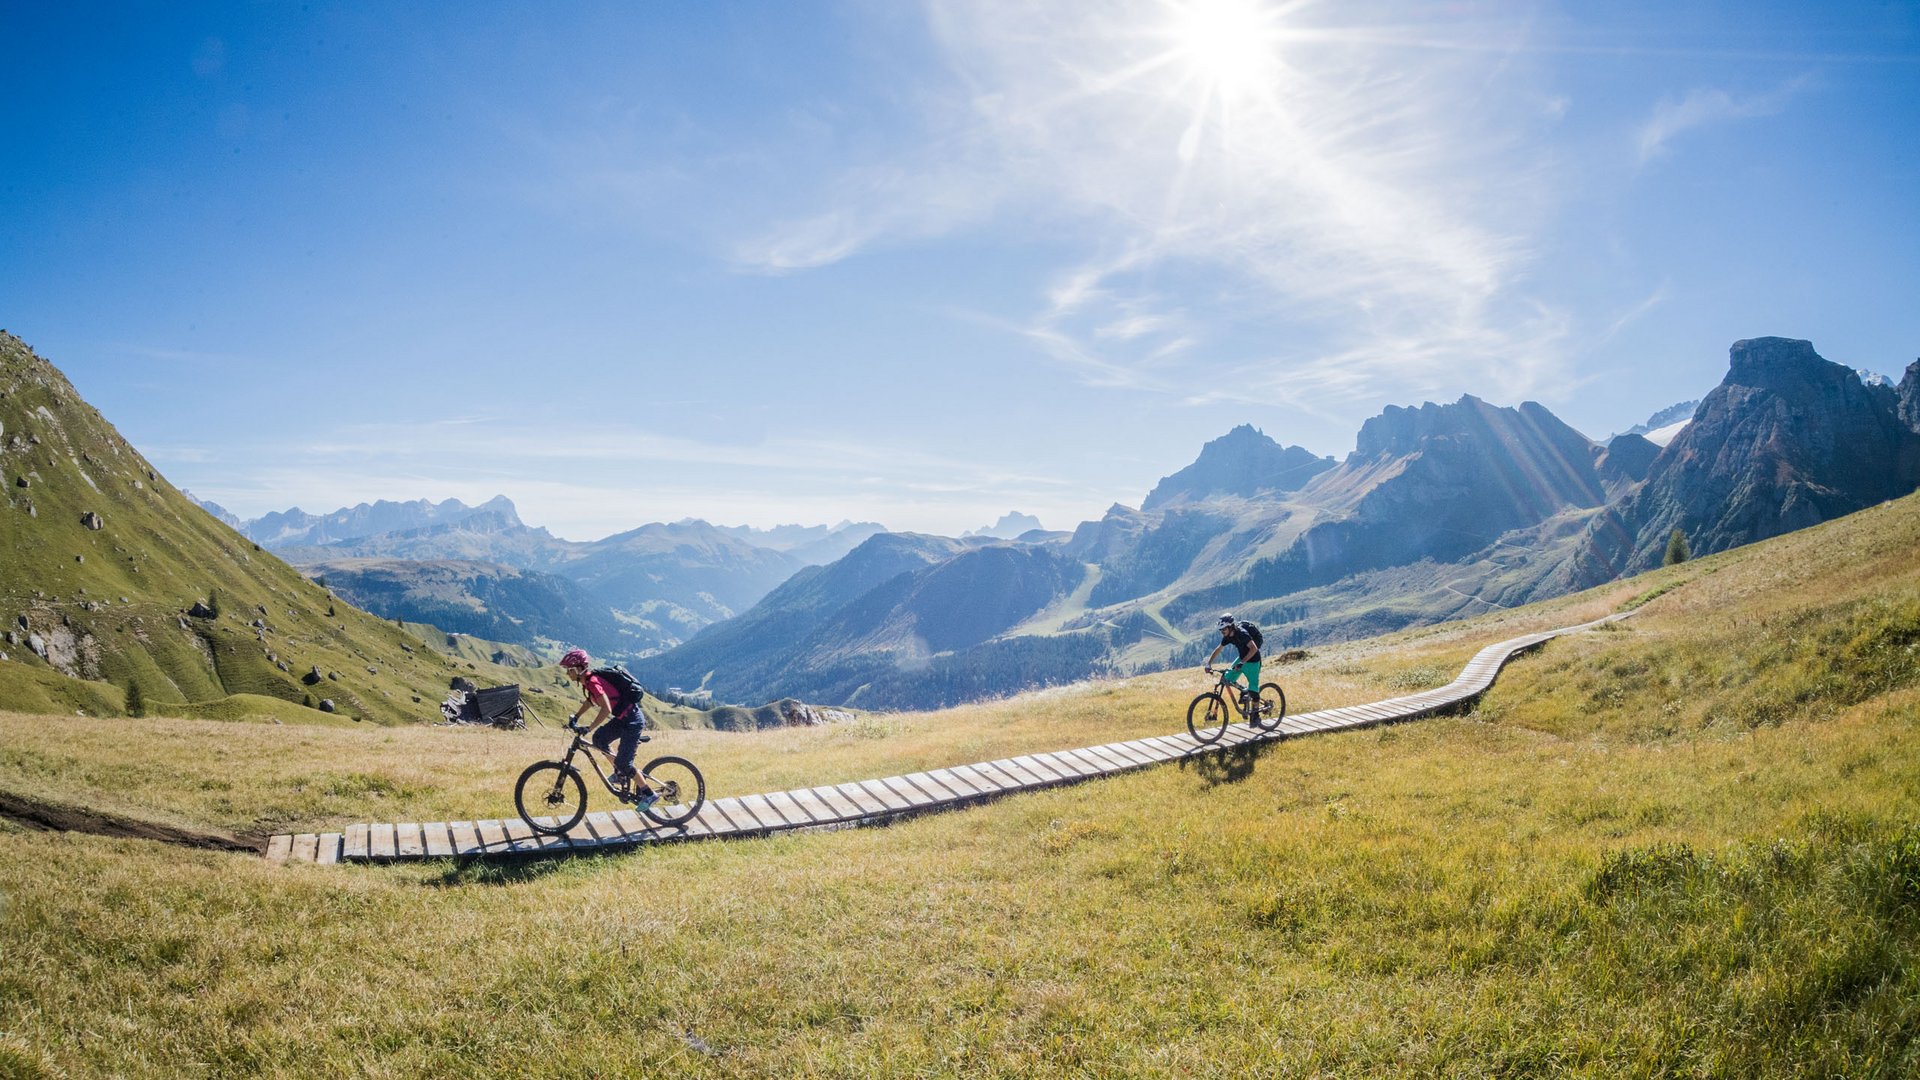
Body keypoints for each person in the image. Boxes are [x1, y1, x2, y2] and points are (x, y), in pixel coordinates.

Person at [558, 648, 657, 809]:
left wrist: (589, 727)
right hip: (622, 718)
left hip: (632, 720)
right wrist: (576, 716)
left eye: (569, 670)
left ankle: (649, 794)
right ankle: (620, 773)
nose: (567, 674)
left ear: (578, 669)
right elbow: (590, 701)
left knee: (624, 762)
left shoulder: (593, 681)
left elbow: (606, 709)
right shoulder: (588, 682)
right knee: (599, 739)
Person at [1203, 613, 1263, 714]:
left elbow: (1254, 648)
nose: (1222, 632)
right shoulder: (1227, 636)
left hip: (1253, 661)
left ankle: (1256, 715)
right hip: (1242, 659)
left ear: (1230, 627)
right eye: (1220, 630)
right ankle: (1244, 691)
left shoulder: (1242, 633)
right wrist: (1209, 663)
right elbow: (1219, 649)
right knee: (1227, 679)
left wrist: (1242, 662)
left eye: (1224, 629)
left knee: (1253, 689)